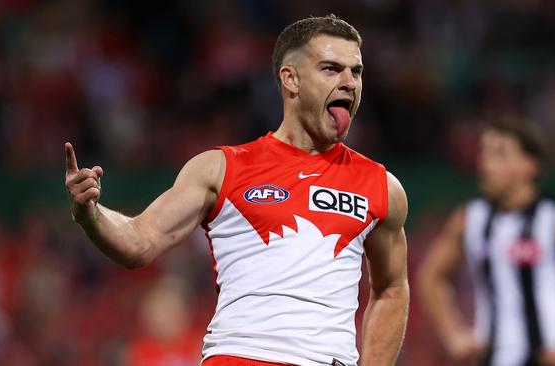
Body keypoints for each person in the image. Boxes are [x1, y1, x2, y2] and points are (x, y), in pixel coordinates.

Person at [64, 15, 409, 366]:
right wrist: (90, 214)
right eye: (332, 69)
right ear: (291, 79)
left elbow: (392, 289)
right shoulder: (221, 168)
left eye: (357, 71)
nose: (350, 82)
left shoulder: (382, 187)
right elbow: (139, 241)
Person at [417, 120, 555, 366]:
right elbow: (431, 276)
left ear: (529, 165)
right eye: (484, 152)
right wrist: (452, 335)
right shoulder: (469, 218)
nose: (485, 163)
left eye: (500, 154)